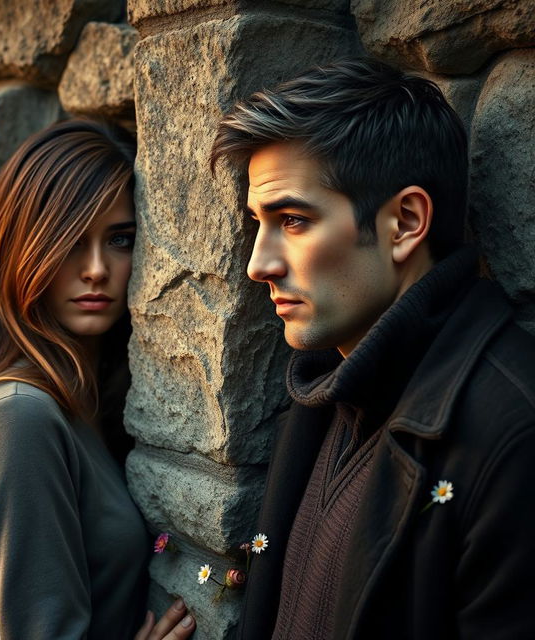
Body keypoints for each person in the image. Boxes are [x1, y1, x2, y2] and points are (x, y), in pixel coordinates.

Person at [210, 58, 535, 639]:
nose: (259, 264)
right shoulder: (322, 394)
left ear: (405, 222)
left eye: (294, 220)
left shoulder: (511, 437)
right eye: (259, 222)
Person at [0, 119, 195, 640]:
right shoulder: (19, 418)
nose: (95, 269)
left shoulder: (80, 400)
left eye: (119, 238)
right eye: (69, 239)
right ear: (20, 247)